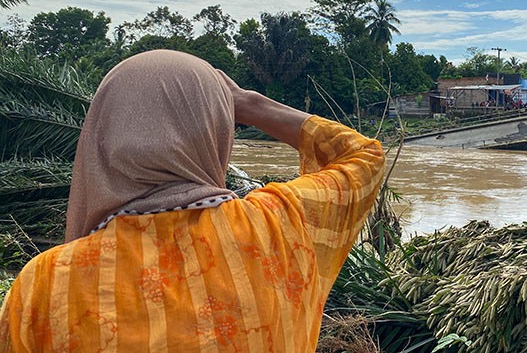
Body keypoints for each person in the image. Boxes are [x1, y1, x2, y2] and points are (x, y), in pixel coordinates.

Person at [0, 50, 386, 351]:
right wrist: (250, 104)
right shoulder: (277, 227)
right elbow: (363, 158)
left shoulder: (45, 284)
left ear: (100, 137)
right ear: (215, 131)